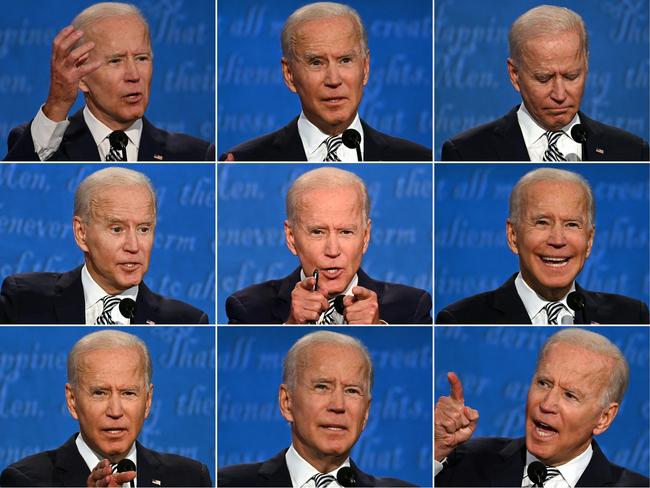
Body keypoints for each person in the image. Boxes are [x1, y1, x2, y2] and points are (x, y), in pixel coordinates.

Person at [434, 328, 649, 487]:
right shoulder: (464, 462)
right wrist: (438, 449)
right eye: (543, 383)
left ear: (604, 418)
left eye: (570, 395)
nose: (546, 404)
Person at [219, 2, 431, 162]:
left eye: (345, 60)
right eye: (316, 62)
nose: (334, 79)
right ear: (289, 74)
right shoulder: (245, 161)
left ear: (365, 69)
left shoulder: (418, 159)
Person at [4, 2, 214, 162]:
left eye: (142, 58)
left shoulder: (195, 154)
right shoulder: (43, 144)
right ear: (81, 77)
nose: (134, 75)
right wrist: (57, 104)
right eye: (115, 61)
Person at [0, 329, 212, 487]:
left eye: (128, 393)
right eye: (100, 393)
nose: (115, 411)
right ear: (72, 400)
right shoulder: (25, 481)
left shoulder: (191, 478)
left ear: (147, 401)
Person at [436, 167, 649, 324]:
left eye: (572, 224)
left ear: (590, 240)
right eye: (542, 223)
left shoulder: (631, 315)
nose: (557, 240)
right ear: (513, 236)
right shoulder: (462, 318)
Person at [0, 167, 209, 324]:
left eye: (143, 229)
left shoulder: (186, 320)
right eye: (117, 229)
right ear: (81, 233)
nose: (133, 246)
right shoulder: (24, 301)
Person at [441, 5, 649, 161]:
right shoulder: (466, 152)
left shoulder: (632, 151)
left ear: (586, 66)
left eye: (571, 76)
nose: (559, 95)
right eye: (543, 78)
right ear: (515, 75)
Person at [225, 167, 432, 324]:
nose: (333, 251)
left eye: (346, 232)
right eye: (317, 232)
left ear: (366, 236)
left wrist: (378, 330)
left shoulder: (412, 308)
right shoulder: (248, 310)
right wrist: (290, 326)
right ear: (291, 237)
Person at [219, 330, 414, 487]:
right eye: (322, 387)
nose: (338, 405)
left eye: (352, 391)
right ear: (287, 402)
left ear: (365, 413)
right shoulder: (227, 484)